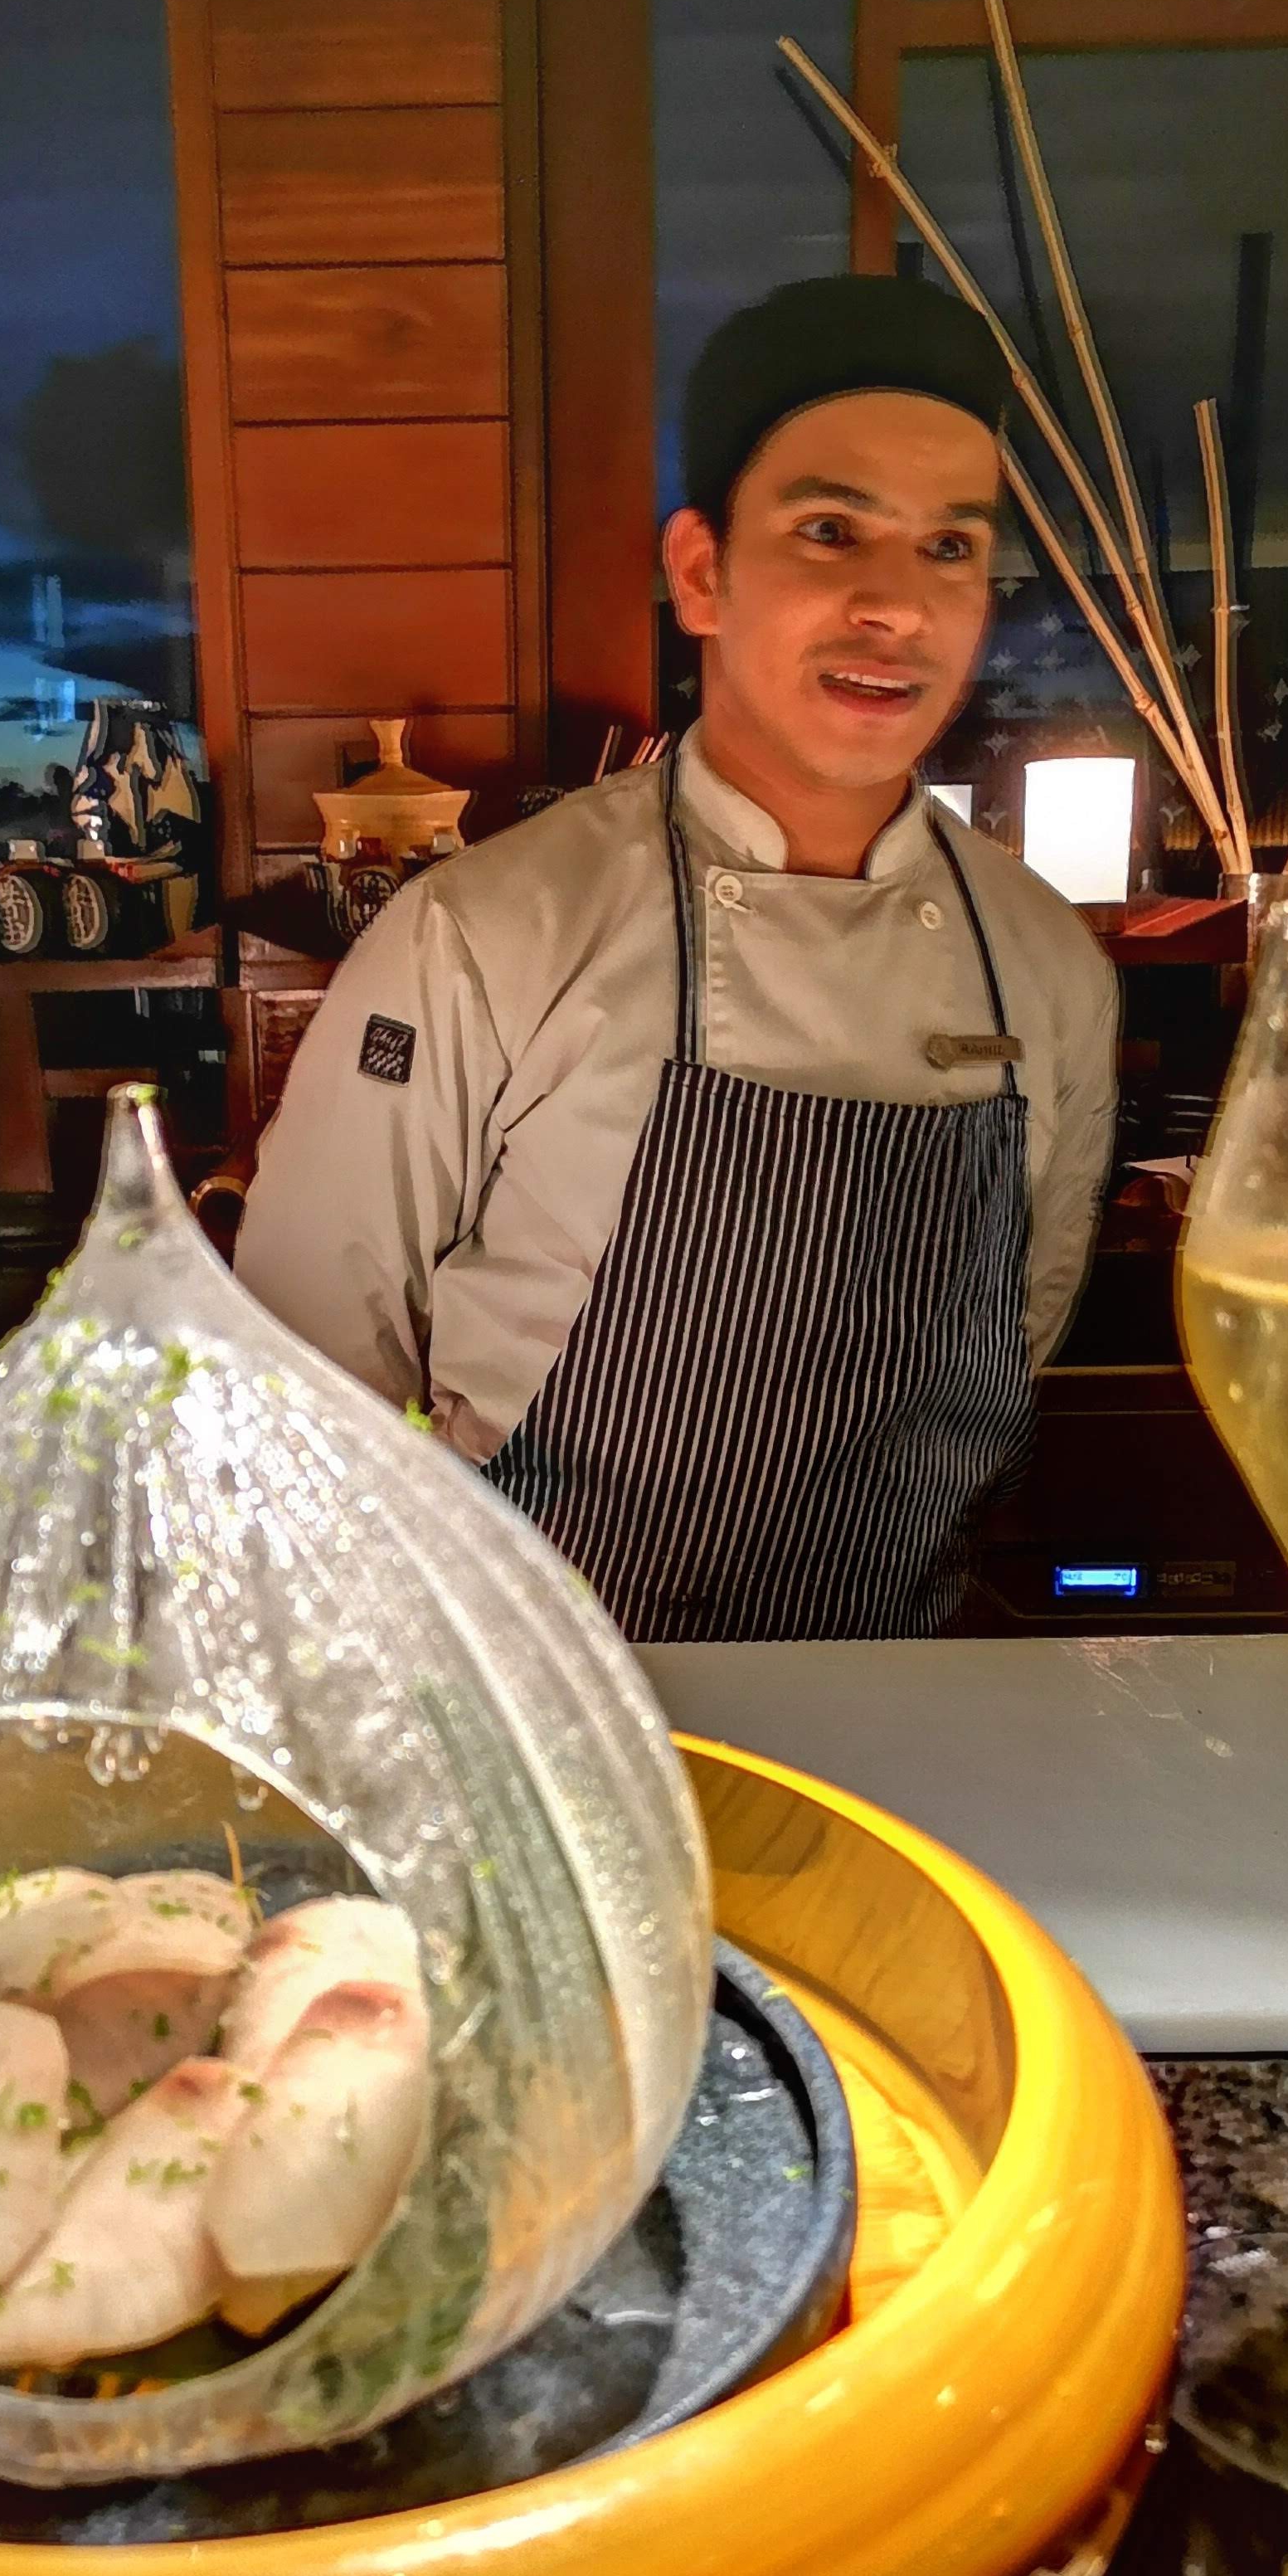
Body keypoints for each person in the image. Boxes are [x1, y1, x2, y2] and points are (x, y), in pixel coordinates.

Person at [236, 274, 1119, 1642]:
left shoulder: (1045, 962)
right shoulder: (485, 933)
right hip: (546, 1688)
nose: (897, 606)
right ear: (703, 573)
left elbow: (1027, 1324)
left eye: (950, 547)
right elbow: (301, 1381)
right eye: (831, 531)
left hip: (899, 1690)